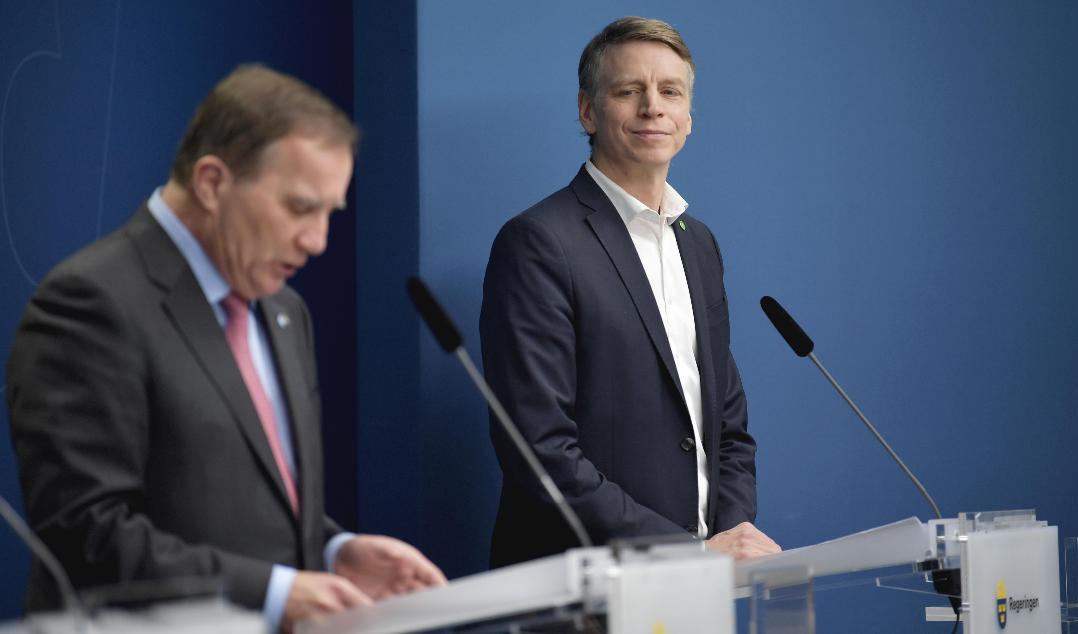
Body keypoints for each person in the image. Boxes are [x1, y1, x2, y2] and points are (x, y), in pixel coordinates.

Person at [6, 64, 445, 632]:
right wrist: (274, 593)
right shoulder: (91, 302)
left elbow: (249, 503)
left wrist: (333, 550)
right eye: (300, 207)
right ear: (212, 183)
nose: (317, 241)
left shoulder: (284, 309)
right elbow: (87, 533)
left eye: (328, 214)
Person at [480, 17, 781, 567]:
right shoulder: (539, 242)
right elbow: (540, 451)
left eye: (671, 92)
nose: (652, 108)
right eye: (628, 91)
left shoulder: (699, 244)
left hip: (700, 583)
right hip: (584, 587)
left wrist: (732, 534)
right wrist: (686, 553)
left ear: (689, 117)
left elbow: (728, 427)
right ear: (588, 111)